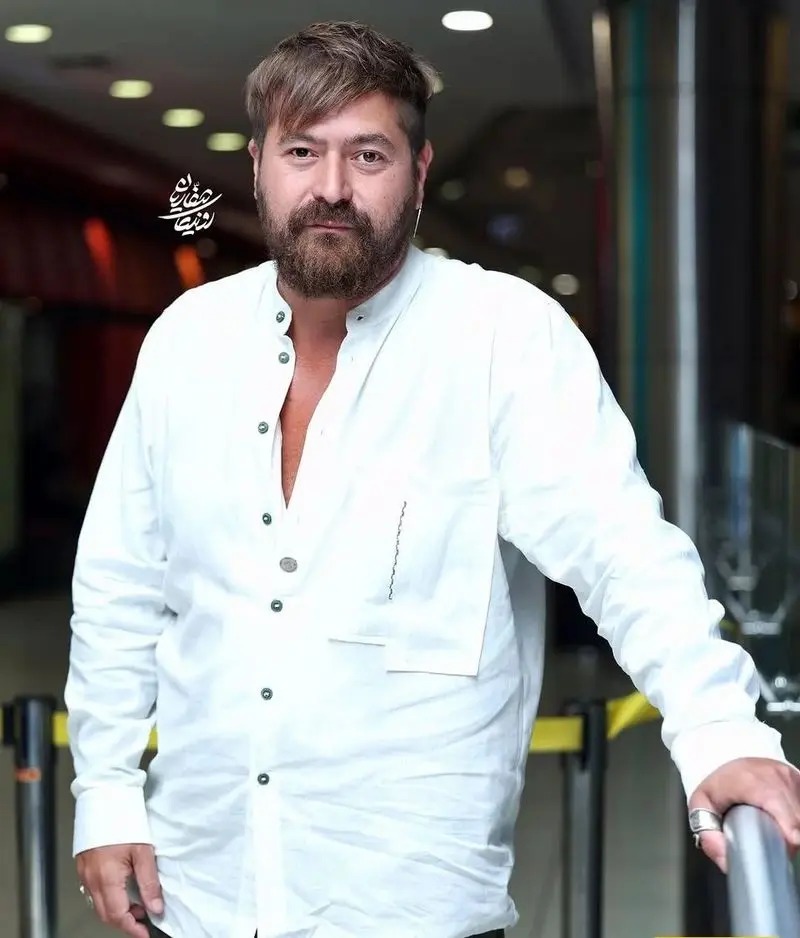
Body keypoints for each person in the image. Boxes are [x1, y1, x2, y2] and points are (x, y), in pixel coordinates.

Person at [64, 19, 800, 938]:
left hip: (410, 906)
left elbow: (623, 552)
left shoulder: (501, 335)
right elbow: (121, 585)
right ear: (258, 166)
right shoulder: (188, 340)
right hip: (198, 893)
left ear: (418, 171)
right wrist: (106, 794)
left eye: (368, 154)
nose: (332, 187)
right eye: (302, 151)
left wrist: (720, 733)